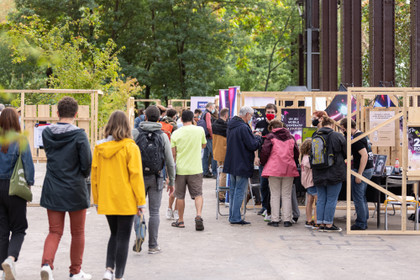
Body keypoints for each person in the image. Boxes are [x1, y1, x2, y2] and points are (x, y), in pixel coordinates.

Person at [39, 97, 92, 280]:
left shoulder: (47, 133)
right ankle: (75, 272)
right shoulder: (79, 135)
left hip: (53, 186)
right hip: (75, 188)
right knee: (77, 232)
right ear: (76, 114)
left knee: (54, 231)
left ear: (57, 113)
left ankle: (46, 264)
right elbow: (87, 163)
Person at [91, 111, 146, 280]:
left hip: (107, 198)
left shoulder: (99, 148)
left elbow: (94, 176)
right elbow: (136, 175)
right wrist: (141, 202)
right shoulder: (131, 147)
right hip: (126, 199)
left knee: (114, 234)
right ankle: (119, 275)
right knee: (123, 237)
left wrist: (97, 200)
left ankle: (109, 269)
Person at [132, 105, 175, 253]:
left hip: (138, 177)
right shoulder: (162, 135)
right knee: (155, 212)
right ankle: (153, 245)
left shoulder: (135, 133)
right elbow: (170, 161)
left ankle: (139, 235)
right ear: (159, 118)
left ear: (144, 117)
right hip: (156, 177)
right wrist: (172, 181)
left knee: (137, 209)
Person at [0, 108, 34, 280]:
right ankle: (10, 259)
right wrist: (30, 184)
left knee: (2, 229)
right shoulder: (20, 140)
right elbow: (28, 165)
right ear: (16, 121)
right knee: (19, 229)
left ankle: (1, 270)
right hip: (14, 188)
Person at [223, 106, 262, 225]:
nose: (251, 118)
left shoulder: (231, 125)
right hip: (242, 163)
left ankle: (232, 216)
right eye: (251, 115)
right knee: (240, 190)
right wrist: (258, 138)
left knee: (234, 190)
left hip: (232, 162)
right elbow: (252, 145)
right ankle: (235, 218)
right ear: (246, 115)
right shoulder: (244, 127)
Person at [171, 110, 207, 230]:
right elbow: (203, 145)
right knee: (198, 194)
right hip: (196, 168)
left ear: (181, 119)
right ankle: (198, 215)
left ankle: (180, 221)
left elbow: (173, 154)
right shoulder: (200, 130)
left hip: (181, 169)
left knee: (180, 196)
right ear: (193, 119)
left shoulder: (176, 133)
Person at [260, 120, 299, 227]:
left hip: (274, 169)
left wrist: (263, 163)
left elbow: (265, 152)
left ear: (272, 127)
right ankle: (287, 220)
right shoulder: (291, 137)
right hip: (288, 168)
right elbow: (296, 153)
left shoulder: (270, 137)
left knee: (275, 194)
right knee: (286, 195)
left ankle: (275, 220)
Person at [312, 117, 346, 232]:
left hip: (318, 172)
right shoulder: (338, 136)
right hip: (334, 172)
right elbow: (346, 152)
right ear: (332, 124)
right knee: (331, 199)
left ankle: (320, 223)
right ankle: (329, 224)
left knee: (321, 199)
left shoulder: (315, 136)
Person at [340, 118, 374, 230]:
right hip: (368, 168)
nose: (342, 131)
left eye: (343, 129)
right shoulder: (362, 134)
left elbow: (364, 155)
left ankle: (361, 223)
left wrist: (359, 174)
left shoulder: (357, 139)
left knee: (358, 196)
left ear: (347, 127)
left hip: (362, 169)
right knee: (362, 195)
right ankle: (364, 218)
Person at [254, 103, 277, 220]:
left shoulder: (279, 125)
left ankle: (274, 207)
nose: (270, 114)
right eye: (268, 112)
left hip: (276, 160)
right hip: (263, 159)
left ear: (276, 113)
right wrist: (256, 156)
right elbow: (255, 142)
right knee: (263, 184)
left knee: (274, 185)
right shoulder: (259, 124)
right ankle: (264, 206)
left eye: (272, 112)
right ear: (265, 113)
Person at [300, 138, 319, 229]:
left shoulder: (304, 157)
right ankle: (316, 221)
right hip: (312, 182)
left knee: (309, 201)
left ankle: (309, 220)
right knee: (318, 201)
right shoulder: (309, 159)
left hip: (306, 183)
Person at [212, 108, 229, 201]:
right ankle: (221, 195)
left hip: (217, 151)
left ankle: (219, 192)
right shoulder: (226, 127)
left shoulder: (214, 124)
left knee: (220, 173)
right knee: (224, 174)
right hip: (224, 152)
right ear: (226, 115)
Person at [200, 103, 217, 178]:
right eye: (214, 107)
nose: (214, 109)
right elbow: (209, 126)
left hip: (204, 136)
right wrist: (212, 135)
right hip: (209, 137)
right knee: (214, 154)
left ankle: (205, 171)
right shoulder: (208, 114)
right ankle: (214, 172)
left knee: (205, 155)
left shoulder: (203, 113)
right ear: (210, 107)